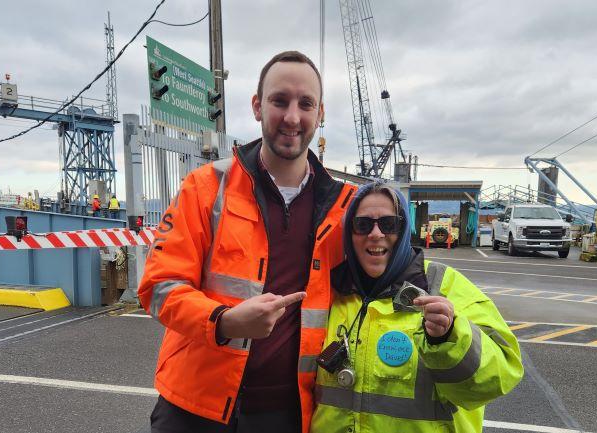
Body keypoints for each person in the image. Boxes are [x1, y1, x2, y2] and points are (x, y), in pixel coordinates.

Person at [138, 51, 356, 433]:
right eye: (279, 101)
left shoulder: (344, 206)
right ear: (257, 106)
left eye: (306, 104)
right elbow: (158, 288)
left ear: (320, 114)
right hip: (197, 410)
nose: (292, 116)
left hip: (290, 413)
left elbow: (390, 262)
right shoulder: (205, 187)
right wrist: (224, 322)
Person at [311, 182, 524, 433]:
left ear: (404, 231)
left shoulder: (444, 285)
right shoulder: (328, 291)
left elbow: (495, 380)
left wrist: (449, 337)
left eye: (389, 224)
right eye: (363, 225)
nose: (376, 234)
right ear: (349, 234)